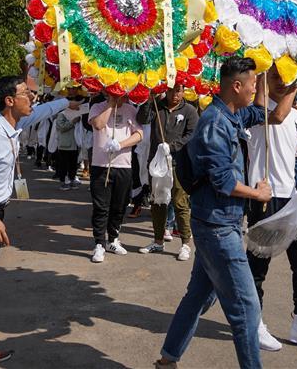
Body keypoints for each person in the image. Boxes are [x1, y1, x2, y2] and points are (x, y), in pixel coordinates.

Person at [0, 77, 77, 368]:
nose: (31, 98)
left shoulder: (12, 126)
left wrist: (66, 102)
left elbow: (41, 113)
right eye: (25, 94)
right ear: (9, 101)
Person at [156, 57, 271, 369]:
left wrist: (280, 74)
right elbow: (222, 180)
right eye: (251, 85)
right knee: (247, 309)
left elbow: (263, 111)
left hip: (222, 222)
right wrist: (257, 193)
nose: (254, 90)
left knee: (198, 297)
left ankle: (167, 360)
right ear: (236, 86)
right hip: (217, 226)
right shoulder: (215, 123)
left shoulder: (232, 113)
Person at [244, 68, 297, 352]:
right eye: (277, 77)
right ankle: (254, 324)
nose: (283, 82)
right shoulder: (256, 110)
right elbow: (277, 115)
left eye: (287, 77)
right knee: (258, 266)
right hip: (265, 198)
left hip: (292, 198)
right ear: (264, 79)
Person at [137, 83, 199, 261]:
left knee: (180, 202)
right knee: (158, 202)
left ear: (183, 91)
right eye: (171, 90)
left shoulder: (189, 110)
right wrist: (149, 100)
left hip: (179, 163)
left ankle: (185, 243)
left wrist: (172, 147)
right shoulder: (159, 106)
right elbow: (142, 119)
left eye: (178, 91)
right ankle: (158, 241)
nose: (174, 95)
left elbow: (191, 135)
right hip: (157, 164)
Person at [88, 91, 143, 263]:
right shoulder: (97, 107)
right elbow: (98, 124)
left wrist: (121, 144)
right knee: (101, 207)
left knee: (119, 205)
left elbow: (139, 134)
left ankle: (113, 239)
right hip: (101, 165)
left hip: (123, 165)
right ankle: (99, 243)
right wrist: (111, 104)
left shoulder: (131, 110)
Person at [54, 91, 84, 190]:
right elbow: (61, 127)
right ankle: (63, 182)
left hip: (75, 144)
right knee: (64, 165)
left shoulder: (78, 114)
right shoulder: (62, 114)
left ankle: (72, 180)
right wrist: (72, 122)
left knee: (73, 164)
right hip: (65, 144)